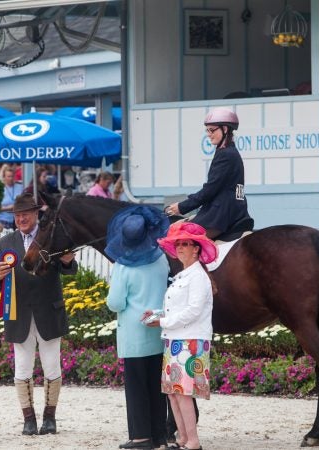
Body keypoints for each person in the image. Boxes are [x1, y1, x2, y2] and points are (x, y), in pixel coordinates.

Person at [0, 193, 77, 436]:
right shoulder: (5, 243)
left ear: (36, 214)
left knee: (52, 366)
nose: (21, 219)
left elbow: (69, 270)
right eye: (18, 216)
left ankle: (50, 418)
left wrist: (69, 261)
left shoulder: (51, 236)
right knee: (22, 368)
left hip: (48, 310)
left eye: (25, 215)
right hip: (18, 313)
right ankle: (28, 419)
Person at [143, 222, 217, 450]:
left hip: (191, 341)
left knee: (183, 393)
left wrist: (162, 321)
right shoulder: (184, 275)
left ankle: (193, 441)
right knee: (173, 394)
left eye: (186, 244)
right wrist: (156, 314)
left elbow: (194, 311)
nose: (181, 248)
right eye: (179, 244)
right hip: (175, 339)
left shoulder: (198, 277)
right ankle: (183, 438)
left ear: (196, 249)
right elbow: (179, 309)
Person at [105, 205, 170, 450]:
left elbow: (115, 303)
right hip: (158, 328)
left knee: (136, 388)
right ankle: (159, 435)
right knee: (156, 387)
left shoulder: (123, 267)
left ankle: (141, 436)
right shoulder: (161, 259)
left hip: (133, 334)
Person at [165, 108, 253, 240]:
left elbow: (210, 189)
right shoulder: (228, 152)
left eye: (212, 130)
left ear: (225, 129)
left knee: (183, 241)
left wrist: (182, 207)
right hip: (233, 209)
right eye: (207, 130)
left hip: (222, 214)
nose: (209, 134)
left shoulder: (226, 155)